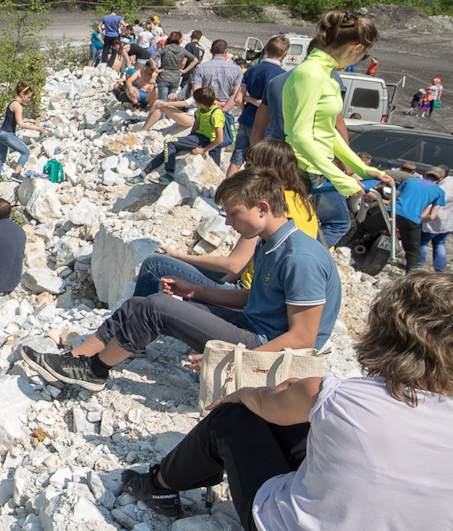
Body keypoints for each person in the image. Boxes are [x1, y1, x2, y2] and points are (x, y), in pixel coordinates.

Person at [118, 270, 453, 531]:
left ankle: (160, 484)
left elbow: (262, 404)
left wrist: (240, 393)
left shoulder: (340, 396)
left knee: (233, 417)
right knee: (315, 430)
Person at [19, 168, 341, 394]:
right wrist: (197, 291)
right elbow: (254, 299)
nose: (228, 223)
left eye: (233, 213)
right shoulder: (271, 242)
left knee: (156, 308)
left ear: (263, 208)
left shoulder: (300, 258)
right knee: (139, 303)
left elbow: (302, 338)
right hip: (253, 326)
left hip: (267, 347)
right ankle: (76, 361)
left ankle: (95, 372)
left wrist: (235, 362)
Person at [131, 139, 320, 298]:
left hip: (248, 292)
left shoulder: (268, 205)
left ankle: (127, 332)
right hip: (264, 287)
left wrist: (180, 256)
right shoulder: (302, 201)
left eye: (250, 166)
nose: (244, 171)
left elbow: (235, 265)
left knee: (155, 264)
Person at [283, 10, 382, 250]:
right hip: (303, 168)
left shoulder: (324, 73)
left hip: (314, 165)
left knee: (322, 226)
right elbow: (300, 134)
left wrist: (363, 169)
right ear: (355, 48)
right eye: (364, 55)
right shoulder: (312, 74)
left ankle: (298, 266)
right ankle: (296, 269)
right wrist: (340, 178)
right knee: (329, 225)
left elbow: (327, 132)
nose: (362, 60)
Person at [141, 86, 227, 180]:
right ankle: (145, 171)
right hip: (197, 136)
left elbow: (219, 139)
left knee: (170, 142)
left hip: (206, 141)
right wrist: (187, 140)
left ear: (201, 103)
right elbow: (196, 125)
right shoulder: (201, 110)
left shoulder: (216, 115)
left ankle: (169, 175)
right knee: (172, 147)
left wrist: (203, 150)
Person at [236, 36, 290, 174]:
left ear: (266, 50)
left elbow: (238, 98)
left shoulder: (252, 70)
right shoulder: (283, 76)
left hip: (247, 118)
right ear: (286, 53)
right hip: (268, 126)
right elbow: (270, 104)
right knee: (262, 164)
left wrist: (246, 105)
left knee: (236, 160)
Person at [389, 163, 445, 271]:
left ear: (425, 174)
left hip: (392, 213)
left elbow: (393, 199)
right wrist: (418, 221)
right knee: (413, 251)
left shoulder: (410, 181)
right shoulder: (439, 192)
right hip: (411, 220)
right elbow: (432, 216)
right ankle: (410, 276)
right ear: (441, 179)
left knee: (363, 229)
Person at [420, 163, 453, 272]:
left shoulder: (443, 187)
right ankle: (439, 270)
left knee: (422, 242)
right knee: (439, 243)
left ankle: (418, 266)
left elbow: (430, 202)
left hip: (439, 219)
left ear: (441, 177)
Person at [0, 81, 39, 177]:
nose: (29, 99)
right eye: (28, 97)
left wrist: (28, 120)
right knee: (26, 152)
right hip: (7, 135)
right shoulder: (18, 106)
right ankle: (16, 175)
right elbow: (20, 124)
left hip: (0, 133)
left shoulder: (12, 103)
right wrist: (37, 129)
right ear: (22, 94)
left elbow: (13, 120)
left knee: (1, 158)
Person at [155, 31, 191, 101]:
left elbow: (152, 58)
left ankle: (163, 112)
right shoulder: (182, 50)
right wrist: (184, 71)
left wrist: (156, 69)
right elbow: (195, 60)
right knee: (169, 101)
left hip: (164, 76)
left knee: (162, 101)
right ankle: (167, 112)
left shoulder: (165, 48)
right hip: (175, 77)